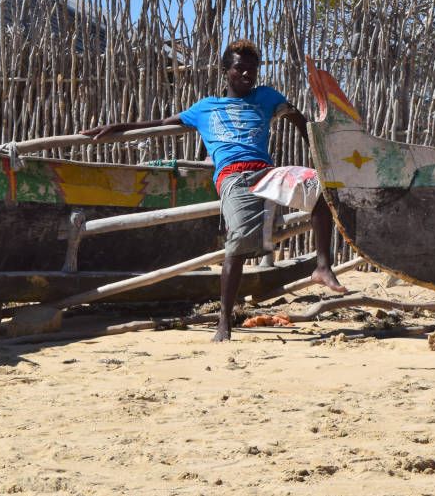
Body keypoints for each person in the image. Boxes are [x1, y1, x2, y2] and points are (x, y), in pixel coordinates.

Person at [82, 39, 346, 341]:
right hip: (233, 177)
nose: (247, 74)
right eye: (240, 69)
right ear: (226, 71)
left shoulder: (267, 97)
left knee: (320, 187)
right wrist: (118, 127)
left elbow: (300, 121)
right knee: (237, 244)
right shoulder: (205, 108)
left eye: (252, 69)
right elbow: (159, 123)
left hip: (266, 171)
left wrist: (320, 153)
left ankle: (322, 267)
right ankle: (224, 320)